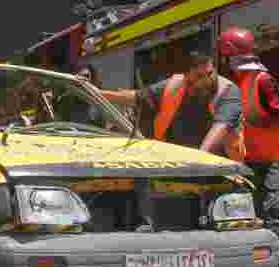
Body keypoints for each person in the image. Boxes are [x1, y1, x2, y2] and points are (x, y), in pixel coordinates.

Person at [97, 51, 244, 230]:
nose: (207, 79)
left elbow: (220, 128)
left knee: (218, 222)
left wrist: (199, 158)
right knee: (140, 171)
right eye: (199, 76)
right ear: (186, 76)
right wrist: (97, 93)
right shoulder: (174, 85)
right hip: (179, 162)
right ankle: (147, 226)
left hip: (219, 167)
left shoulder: (228, 91)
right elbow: (137, 98)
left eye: (210, 73)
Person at [217, 26, 279, 267]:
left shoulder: (261, 80)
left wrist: (248, 122)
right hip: (251, 160)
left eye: (227, 55)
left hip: (273, 158)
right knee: (250, 219)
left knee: (275, 216)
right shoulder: (238, 82)